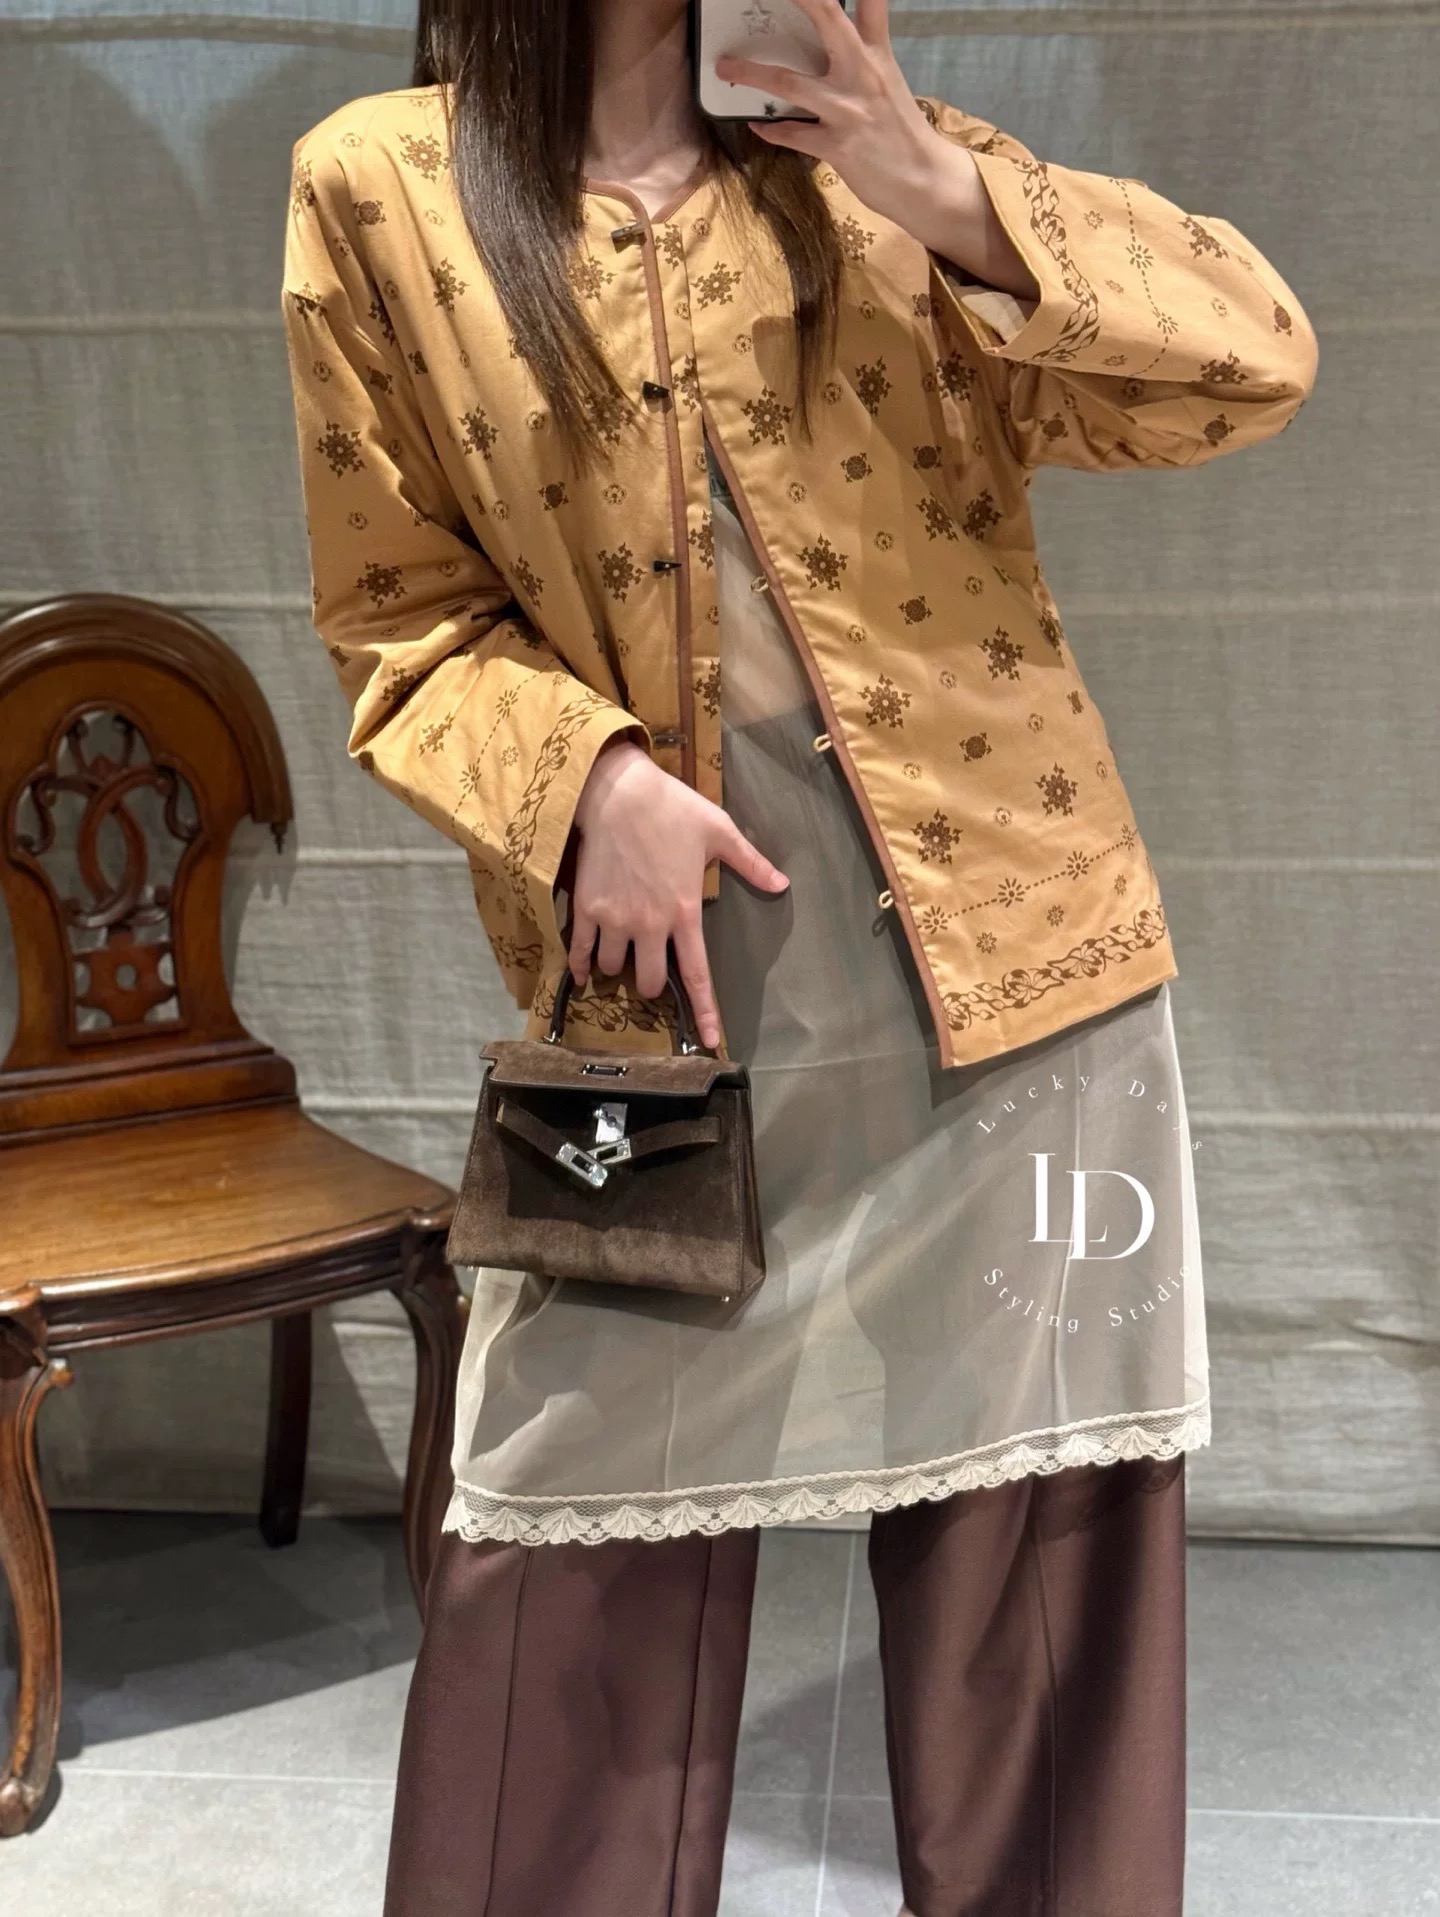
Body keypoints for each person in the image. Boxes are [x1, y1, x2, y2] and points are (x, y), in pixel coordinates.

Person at [279, 3, 1318, 1911]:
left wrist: (936, 186)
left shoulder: (876, 170)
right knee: (560, 1596)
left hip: (1024, 992)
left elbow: (1252, 361)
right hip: (654, 1022)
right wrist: (586, 778)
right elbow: (397, 618)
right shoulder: (382, 188)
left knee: (1039, 1604)